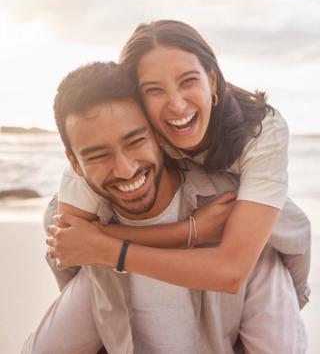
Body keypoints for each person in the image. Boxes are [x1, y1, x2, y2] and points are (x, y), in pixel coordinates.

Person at [23, 61, 306, 354]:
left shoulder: (235, 217)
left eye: (135, 141)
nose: (124, 169)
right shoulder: (83, 236)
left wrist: (187, 232)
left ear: (159, 134)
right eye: (97, 156)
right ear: (75, 164)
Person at [54, 20, 311, 308]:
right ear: (136, 99)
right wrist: (190, 230)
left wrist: (112, 250)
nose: (176, 105)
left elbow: (231, 270)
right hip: (197, 215)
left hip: (271, 239)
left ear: (211, 81)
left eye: (188, 81)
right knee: (56, 212)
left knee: (283, 228)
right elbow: (67, 236)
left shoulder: (263, 130)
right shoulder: (133, 134)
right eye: (154, 90)